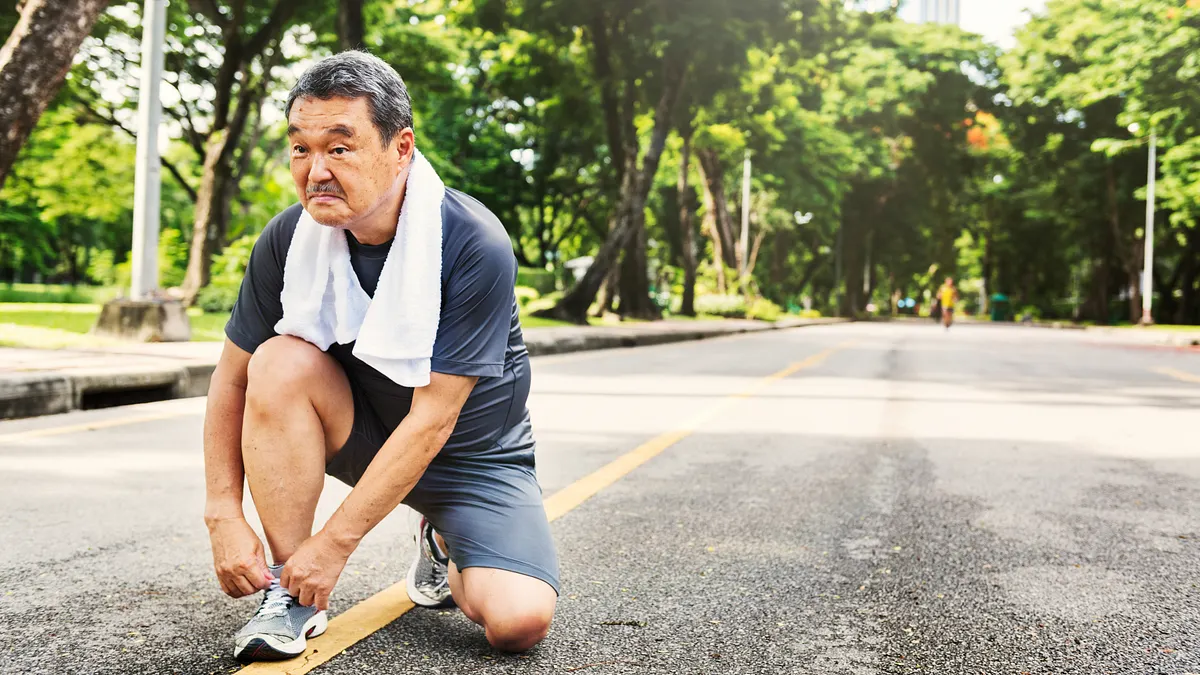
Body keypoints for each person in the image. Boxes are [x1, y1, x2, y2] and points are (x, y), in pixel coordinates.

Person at [202, 51, 558, 664]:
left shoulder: (473, 242)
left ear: (400, 148)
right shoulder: (289, 238)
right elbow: (231, 382)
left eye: (339, 148)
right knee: (278, 361)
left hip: (470, 461)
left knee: (517, 623)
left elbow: (433, 420)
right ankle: (293, 592)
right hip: (362, 435)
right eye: (300, 149)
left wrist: (335, 544)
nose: (315, 170)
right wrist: (222, 513)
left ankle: (440, 539)